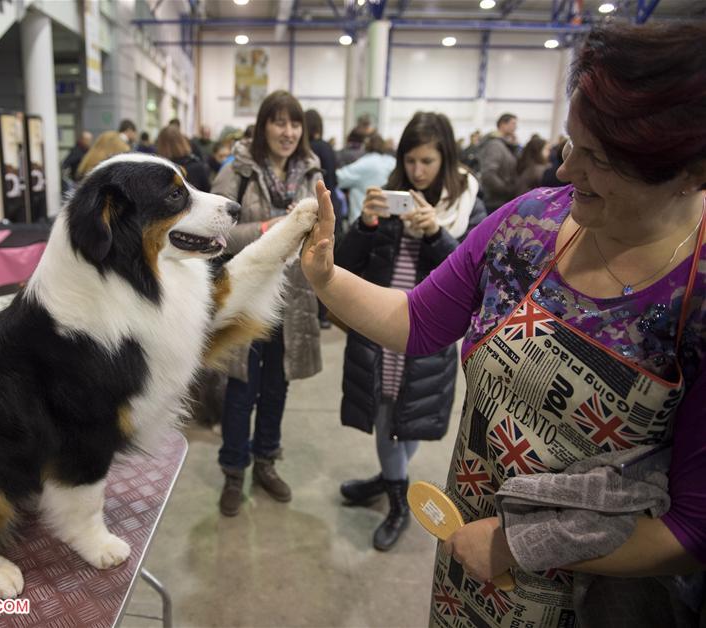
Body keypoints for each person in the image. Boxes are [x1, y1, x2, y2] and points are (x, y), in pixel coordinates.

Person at [300, 21, 706, 628]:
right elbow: (416, 321)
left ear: (690, 173)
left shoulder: (695, 299)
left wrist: (520, 544)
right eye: (572, 145)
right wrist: (328, 278)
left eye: (598, 160)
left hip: (592, 597)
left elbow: (692, 529)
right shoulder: (529, 226)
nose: (568, 173)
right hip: (468, 558)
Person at [336, 112, 486, 551]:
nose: (417, 171)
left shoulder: (465, 205)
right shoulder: (388, 197)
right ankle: (400, 499)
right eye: (410, 160)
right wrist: (365, 224)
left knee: (413, 422)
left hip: (430, 332)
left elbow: (477, 277)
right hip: (379, 327)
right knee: (386, 418)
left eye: (427, 161)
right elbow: (345, 264)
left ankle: (389, 481)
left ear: (446, 159)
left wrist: (437, 235)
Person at [211, 90, 323, 517]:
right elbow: (216, 235)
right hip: (246, 299)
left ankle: (266, 463)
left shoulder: (312, 172)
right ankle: (233, 472)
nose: (288, 132)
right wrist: (268, 228)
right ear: (262, 126)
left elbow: (328, 233)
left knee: (277, 388)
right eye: (278, 122)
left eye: (294, 123)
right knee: (241, 392)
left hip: (292, 301)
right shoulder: (237, 172)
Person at [336, 133, 396, 226]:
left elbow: (339, 178)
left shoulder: (365, 163)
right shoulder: (392, 162)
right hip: (387, 220)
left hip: (363, 219)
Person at [478, 113, 520, 213]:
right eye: (513, 123)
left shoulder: (504, 145)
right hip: (495, 201)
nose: (515, 127)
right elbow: (488, 173)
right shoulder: (495, 145)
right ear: (502, 124)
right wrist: (506, 190)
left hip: (501, 200)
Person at [155, 125, 211, 192]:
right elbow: (208, 192)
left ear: (160, 145)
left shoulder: (158, 171)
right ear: (183, 141)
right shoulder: (197, 167)